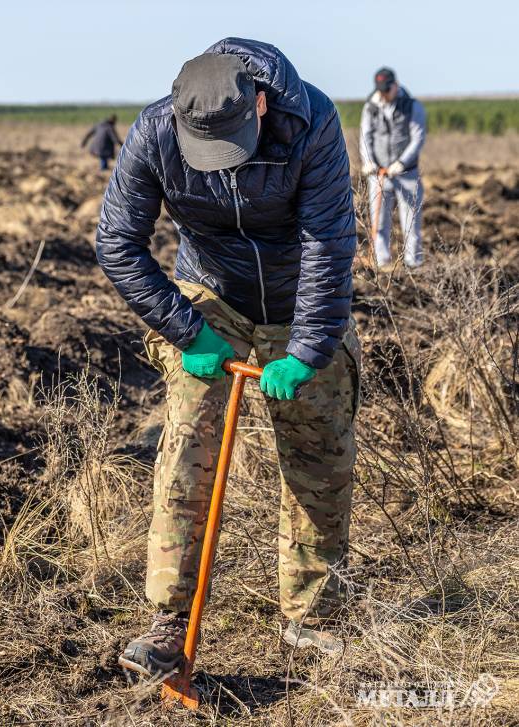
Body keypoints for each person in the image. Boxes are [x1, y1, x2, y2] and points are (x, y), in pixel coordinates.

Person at [95, 38, 361, 677]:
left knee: (320, 452)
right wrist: (188, 332)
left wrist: (306, 350)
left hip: (299, 298)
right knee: (190, 439)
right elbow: (118, 242)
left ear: (260, 105)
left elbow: (328, 244)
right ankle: (169, 619)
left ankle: (314, 616)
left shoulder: (312, 122)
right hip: (209, 295)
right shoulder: (156, 131)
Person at [360, 68, 426, 269]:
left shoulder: (412, 106)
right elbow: (365, 137)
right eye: (380, 90)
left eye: (387, 90)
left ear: (395, 86)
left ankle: (413, 264)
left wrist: (402, 163)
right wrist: (368, 161)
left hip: (407, 174)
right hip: (379, 175)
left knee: (410, 221)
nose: (383, 94)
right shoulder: (371, 107)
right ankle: (382, 264)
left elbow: (417, 138)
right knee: (379, 222)